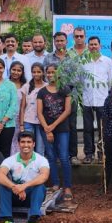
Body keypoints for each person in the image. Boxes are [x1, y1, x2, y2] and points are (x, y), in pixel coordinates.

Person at [0, 131, 51, 223]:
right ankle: (8, 221)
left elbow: (44, 176)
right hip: (15, 194)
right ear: (18, 144)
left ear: (34, 144)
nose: (26, 145)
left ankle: (32, 222)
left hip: (32, 196)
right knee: (2, 184)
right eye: (23, 142)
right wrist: (14, 187)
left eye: (29, 142)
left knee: (40, 186)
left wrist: (24, 186)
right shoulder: (10, 159)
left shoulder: (41, 160)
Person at [37, 63, 73, 199]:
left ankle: (68, 186)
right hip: (45, 129)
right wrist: (47, 128)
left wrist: (53, 126)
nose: (51, 75)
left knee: (64, 157)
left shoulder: (65, 89)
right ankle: (56, 184)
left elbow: (67, 110)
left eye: (54, 72)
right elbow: (39, 112)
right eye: (49, 72)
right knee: (51, 156)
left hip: (62, 128)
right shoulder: (42, 91)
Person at [81, 36, 112, 164]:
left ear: (100, 46)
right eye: (91, 44)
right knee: (87, 129)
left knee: (103, 129)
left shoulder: (107, 61)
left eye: (95, 44)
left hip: (103, 100)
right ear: (88, 46)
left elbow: (111, 81)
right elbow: (80, 81)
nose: (93, 46)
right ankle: (89, 154)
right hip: (87, 100)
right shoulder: (82, 61)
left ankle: (102, 153)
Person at [20, 63, 48, 153]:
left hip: (42, 122)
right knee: (28, 146)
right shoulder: (26, 86)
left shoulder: (47, 86)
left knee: (40, 147)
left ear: (43, 73)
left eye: (39, 72)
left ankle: (39, 166)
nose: (36, 74)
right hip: (28, 121)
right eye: (34, 72)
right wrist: (21, 124)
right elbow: (22, 106)